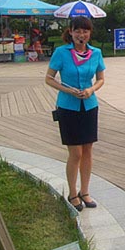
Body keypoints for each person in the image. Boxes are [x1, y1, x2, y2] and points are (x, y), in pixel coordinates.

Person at [45, 16, 105, 212]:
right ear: (70, 32)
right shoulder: (61, 53)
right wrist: (68, 90)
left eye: (85, 31)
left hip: (89, 106)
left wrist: (91, 89)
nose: (81, 35)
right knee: (76, 152)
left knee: (88, 150)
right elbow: (49, 78)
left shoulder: (96, 53)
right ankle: (72, 193)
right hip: (68, 107)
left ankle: (85, 191)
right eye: (77, 31)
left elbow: (101, 78)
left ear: (90, 33)